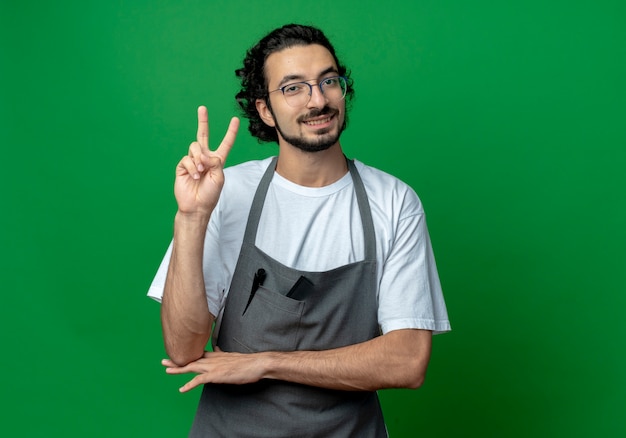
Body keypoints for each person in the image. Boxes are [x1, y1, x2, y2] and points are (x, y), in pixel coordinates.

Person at [148, 23, 450, 437]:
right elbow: (183, 350)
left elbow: (407, 361)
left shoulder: (394, 203)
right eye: (293, 88)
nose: (318, 100)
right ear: (264, 110)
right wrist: (192, 218)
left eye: (328, 81)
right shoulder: (229, 193)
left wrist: (265, 363)